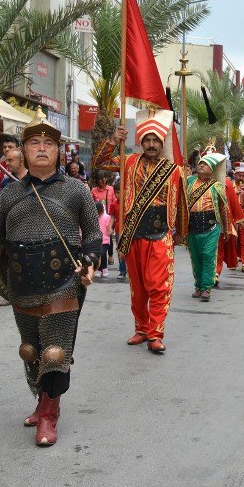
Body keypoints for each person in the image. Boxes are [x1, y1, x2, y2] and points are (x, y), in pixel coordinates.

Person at [0, 112, 101, 447]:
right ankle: (41, 402)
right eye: (35, 143)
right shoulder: (9, 195)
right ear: (23, 150)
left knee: (55, 352)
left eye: (49, 143)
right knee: (31, 351)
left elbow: (94, 234)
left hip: (64, 283)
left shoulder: (77, 191)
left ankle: (51, 415)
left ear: (58, 150)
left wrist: (91, 261)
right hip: (21, 285)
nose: (42, 148)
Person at [93, 110, 188, 354]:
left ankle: (156, 334)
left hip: (160, 234)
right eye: (147, 140)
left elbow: (181, 203)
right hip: (134, 232)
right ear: (141, 142)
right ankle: (142, 328)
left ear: (162, 142)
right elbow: (99, 162)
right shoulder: (130, 162)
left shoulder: (173, 170)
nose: (152, 144)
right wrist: (114, 139)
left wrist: (180, 233)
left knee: (159, 287)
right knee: (138, 289)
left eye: (156, 140)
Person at [186, 152, 232, 301]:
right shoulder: (189, 181)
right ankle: (198, 286)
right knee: (196, 258)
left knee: (208, 256)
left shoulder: (217, 186)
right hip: (192, 227)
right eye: (200, 163)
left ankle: (206, 288)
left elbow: (223, 208)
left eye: (205, 164)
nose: (201, 165)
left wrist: (226, 228)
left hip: (211, 228)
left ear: (211, 170)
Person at [215, 164, 244, 284]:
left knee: (219, 248)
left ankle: (215, 273)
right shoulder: (195, 182)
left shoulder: (226, 182)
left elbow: (233, 202)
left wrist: (238, 219)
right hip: (201, 224)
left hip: (221, 222)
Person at [97, 201, 113, 278]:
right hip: (97, 239)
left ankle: (105, 268)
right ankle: (100, 269)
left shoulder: (107, 217)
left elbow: (108, 227)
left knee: (103, 254)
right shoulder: (94, 217)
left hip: (105, 240)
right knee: (98, 255)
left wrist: (110, 232)